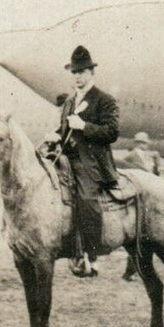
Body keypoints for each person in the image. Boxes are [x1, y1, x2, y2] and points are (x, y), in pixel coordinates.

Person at [45, 45, 120, 278]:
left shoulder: (104, 100)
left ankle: (91, 255)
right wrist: (56, 134)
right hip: (67, 157)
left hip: (92, 161)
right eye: (74, 72)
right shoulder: (69, 102)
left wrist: (85, 127)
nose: (77, 76)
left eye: (81, 72)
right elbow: (64, 129)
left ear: (91, 73)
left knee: (87, 198)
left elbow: (112, 132)